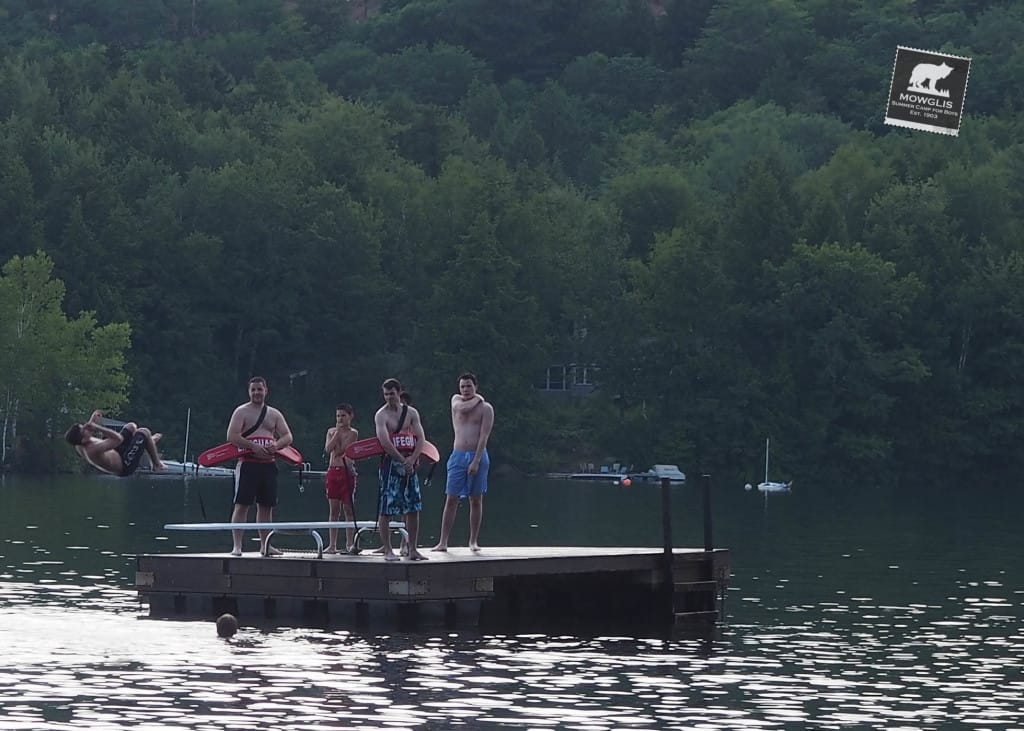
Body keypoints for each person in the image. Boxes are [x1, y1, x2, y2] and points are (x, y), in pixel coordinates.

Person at [225, 376, 294, 557]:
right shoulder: (241, 412)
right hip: (247, 464)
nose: (256, 393)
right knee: (242, 505)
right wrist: (252, 445)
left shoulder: (274, 414)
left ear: (266, 391)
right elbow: (232, 436)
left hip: (268, 465)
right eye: (253, 389)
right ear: (249, 392)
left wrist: (276, 445)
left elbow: (287, 436)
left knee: (266, 506)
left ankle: (265, 545)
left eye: (259, 389)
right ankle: (237, 546)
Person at [432, 372, 494, 553]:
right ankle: (443, 541)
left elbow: (484, 436)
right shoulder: (456, 401)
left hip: (477, 454)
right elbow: (463, 409)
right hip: (458, 455)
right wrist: (478, 397)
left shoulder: (486, 408)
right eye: (463, 386)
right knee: (451, 498)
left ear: (476, 386)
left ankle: (473, 541)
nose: (466, 389)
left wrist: (476, 460)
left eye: (469, 386)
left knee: (476, 499)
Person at [374, 378, 427, 561]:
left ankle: (412, 549)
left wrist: (412, 459)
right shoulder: (381, 415)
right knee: (386, 507)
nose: (389, 397)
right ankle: (388, 550)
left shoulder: (411, 413)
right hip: (391, 464)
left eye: (392, 393)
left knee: (413, 506)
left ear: (399, 392)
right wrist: (402, 460)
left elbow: (421, 438)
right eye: (386, 394)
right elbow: (384, 441)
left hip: (410, 463)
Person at [65, 410, 167, 476]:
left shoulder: (79, 444)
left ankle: (145, 443)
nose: (87, 427)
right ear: (83, 439)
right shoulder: (92, 450)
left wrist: (92, 421)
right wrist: (97, 427)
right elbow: (119, 439)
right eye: (84, 429)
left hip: (116, 450)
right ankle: (157, 465)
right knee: (144, 432)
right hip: (124, 465)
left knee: (131, 426)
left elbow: (83, 433)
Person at [324, 403, 359, 554]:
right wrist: (336, 434)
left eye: (343, 416)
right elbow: (328, 449)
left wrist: (338, 436)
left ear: (350, 417)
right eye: (338, 416)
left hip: (346, 471)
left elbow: (341, 451)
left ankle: (349, 543)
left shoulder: (353, 433)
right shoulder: (331, 431)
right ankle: (332, 544)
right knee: (334, 509)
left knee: (348, 508)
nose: (340, 419)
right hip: (333, 470)